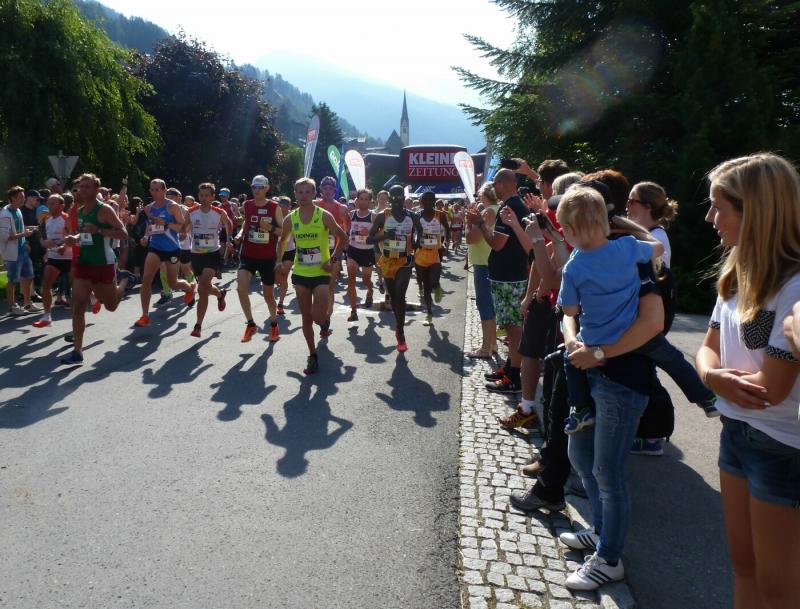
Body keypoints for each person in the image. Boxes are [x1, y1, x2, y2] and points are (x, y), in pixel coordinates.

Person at [695, 153, 800, 609]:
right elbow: (707, 350)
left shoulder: (794, 286)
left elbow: (769, 389)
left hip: (780, 446)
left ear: (756, 211)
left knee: (779, 586)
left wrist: (717, 378)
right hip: (736, 433)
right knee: (743, 565)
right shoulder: (737, 273)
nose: (709, 218)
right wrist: (711, 375)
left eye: (719, 207)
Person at [467, 168, 533, 393]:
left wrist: (480, 223)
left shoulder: (510, 207)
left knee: (513, 328)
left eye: (495, 182)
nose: (494, 187)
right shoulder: (513, 205)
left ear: (504, 184)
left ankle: (514, 375)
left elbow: (496, 244)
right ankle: (510, 367)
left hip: (509, 277)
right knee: (510, 325)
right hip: (509, 274)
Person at [60, 174, 133, 365]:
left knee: (111, 306)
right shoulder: (80, 211)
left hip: (103, 263)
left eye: (87, 187)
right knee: (78, 305)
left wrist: (100, 230)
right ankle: (77, 351)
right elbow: (84, 235)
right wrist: (74, 239)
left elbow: (123, 233)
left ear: (96, 189)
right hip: (84, 263)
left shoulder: (104, 210)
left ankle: (124, 281)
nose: (82, 190)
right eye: (80, 187)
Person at [278, 177, 347, 374]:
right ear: (295, 194)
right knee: (306, 318)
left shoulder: (323, 215)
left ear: (314, 194)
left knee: (317, 317)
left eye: (308, 192)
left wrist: (333, 259)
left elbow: (343, 237)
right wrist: (278, 261)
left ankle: (324, 321)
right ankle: (312, 355)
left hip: (321, 272)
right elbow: (282, 241)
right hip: (301, 273)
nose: (304, 196)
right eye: (300, 192)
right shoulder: (290, 218)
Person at [368, 184, 423, 352]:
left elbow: (420, 231)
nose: (397, 200)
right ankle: (399, 326)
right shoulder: (382, 216)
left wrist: (416, 242)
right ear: (389, 199)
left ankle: (400, 331)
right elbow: (369, 239)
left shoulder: (412, 216)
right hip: (387, 261)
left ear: (404, 198)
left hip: (404, 261)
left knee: (400, 296)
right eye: (394, 196)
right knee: (393, 297)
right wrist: (385, 236)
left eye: (400, 196)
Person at [134, 179, 195, 327]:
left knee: (172, 282)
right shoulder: (149, 208)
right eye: (152, 190)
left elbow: (181, 227)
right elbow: (150, 225)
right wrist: (146, 237)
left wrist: (166, 223)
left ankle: (189, 289)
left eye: (157, 190)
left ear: (164, 191)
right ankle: (145, 316)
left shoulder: (172, 206)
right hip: (155, 247)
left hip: (172, 248)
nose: (154, 193)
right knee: (146, 280)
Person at [235, 175, 283, 343]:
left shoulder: (274, 206)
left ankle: (274, 324)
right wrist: (240, 234)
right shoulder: (247, 205)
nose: (257, 190)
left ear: (267, 188)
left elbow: (283, 231)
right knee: (241, 289)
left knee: (268, 296)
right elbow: (246, 223)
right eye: (254, 187)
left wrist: (270, 228)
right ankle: (250, 324)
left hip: (267, 257)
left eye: (260, 187)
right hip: (248, 254)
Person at [187, 183, 232, 337]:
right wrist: (182, 232)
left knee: (202, 288)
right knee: (205, 287)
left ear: (213, 197)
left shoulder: (219, 212)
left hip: (212, 253)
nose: (204, 198)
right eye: (201, 195)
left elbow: (228, 224)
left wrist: (229, 240)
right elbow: (184, 226)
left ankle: (198, 326)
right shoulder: (191, 211)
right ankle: (220, 295)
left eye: (207, 195)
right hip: (196, 254)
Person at [465, 182, 500, 358]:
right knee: (490, 305)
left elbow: (471, 238)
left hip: (484, 262)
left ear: (484, 195)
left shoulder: (488, 212)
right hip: (490, 261)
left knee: (485, 304)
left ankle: (486, 348)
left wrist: (468, 224)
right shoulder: (498, 209)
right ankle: (492, 344)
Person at [32, 194, 73, 327]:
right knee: (46, 285)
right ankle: (47, 316)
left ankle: (92, 299)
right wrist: (45, 247)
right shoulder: (47, 219)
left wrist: (63, 246)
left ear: (62, 205)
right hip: (54, 258)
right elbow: (46, 239)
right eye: (49, 203)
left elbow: (72, 237)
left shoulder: (66, 218)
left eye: (53, 203)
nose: (50, 206)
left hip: (69, 258)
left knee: (76, 288)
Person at [316, 176, 350, 336]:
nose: (328, 191)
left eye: (331, 188)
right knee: (316, 285)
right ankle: (320, 311)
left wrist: (344, 243)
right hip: (316, 250)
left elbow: (347, 226)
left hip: (334, 250)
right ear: (321, 190)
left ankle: (326, 319)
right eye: (325, 188)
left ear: (335, 190)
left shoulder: (342, 208)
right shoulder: (315, 205)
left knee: (330, 285)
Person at [1, 186, 40, 315]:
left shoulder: (17, 210)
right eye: (22, 197)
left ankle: (28, 304)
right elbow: (5, 237)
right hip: (12, 252)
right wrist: (24, 234)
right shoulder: (5, 215)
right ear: (13, 198)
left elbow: (19, 229)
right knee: (12, 280)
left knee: (28, 276)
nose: (24, 199)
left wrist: (25, 241)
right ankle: (12, 307)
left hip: (22, 249)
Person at [414, 191, 450, 326]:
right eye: (425, 200)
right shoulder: (417, 215)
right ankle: (429, 313)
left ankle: (437, 287)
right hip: (420, 254)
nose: (428, 202)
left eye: (431, 200)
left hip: (435, 253)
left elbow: (447, 229)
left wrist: (446, 242)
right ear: (421, 202)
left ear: (434, 201)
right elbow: (412, 232)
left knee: (433, 281)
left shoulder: (440, 215)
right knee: (426, 287)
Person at [345, 188, 376, 321]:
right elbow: (346, 230)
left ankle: (370, 290)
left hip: (367, 251)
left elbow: (380, 235)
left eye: (366, 199)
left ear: (370, 201)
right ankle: (353, 311)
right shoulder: (351, 214)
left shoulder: (373, 216)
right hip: (353, 250)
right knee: (351, 279)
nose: (363, 202)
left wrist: (369, 234)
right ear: (357, 200)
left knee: (365, 280)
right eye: (361, 199)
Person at [275, 196, 295, 315]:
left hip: (289, 250)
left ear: (289, 206)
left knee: (284, 275)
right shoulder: (274, 216)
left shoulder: (293, 217)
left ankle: (280, 304)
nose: (283, 208)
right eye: (281, 205)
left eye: (285, 206)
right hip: (275, 251)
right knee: (277, 278)